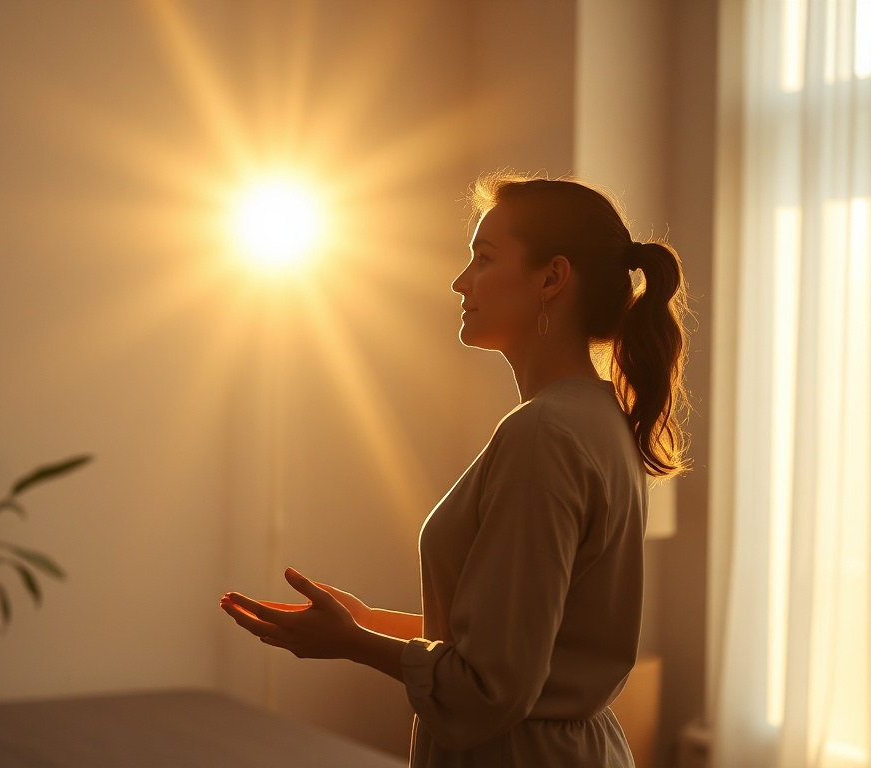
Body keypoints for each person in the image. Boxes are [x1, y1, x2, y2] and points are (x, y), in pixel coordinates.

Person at [220, 173, 691, 767]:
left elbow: (488, 686)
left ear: (552, 277)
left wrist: (355, 644)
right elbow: (515, 636)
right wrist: (367, 621)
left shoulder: (543, 435)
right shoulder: (600, 418)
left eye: (483, 259)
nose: (459, 282)